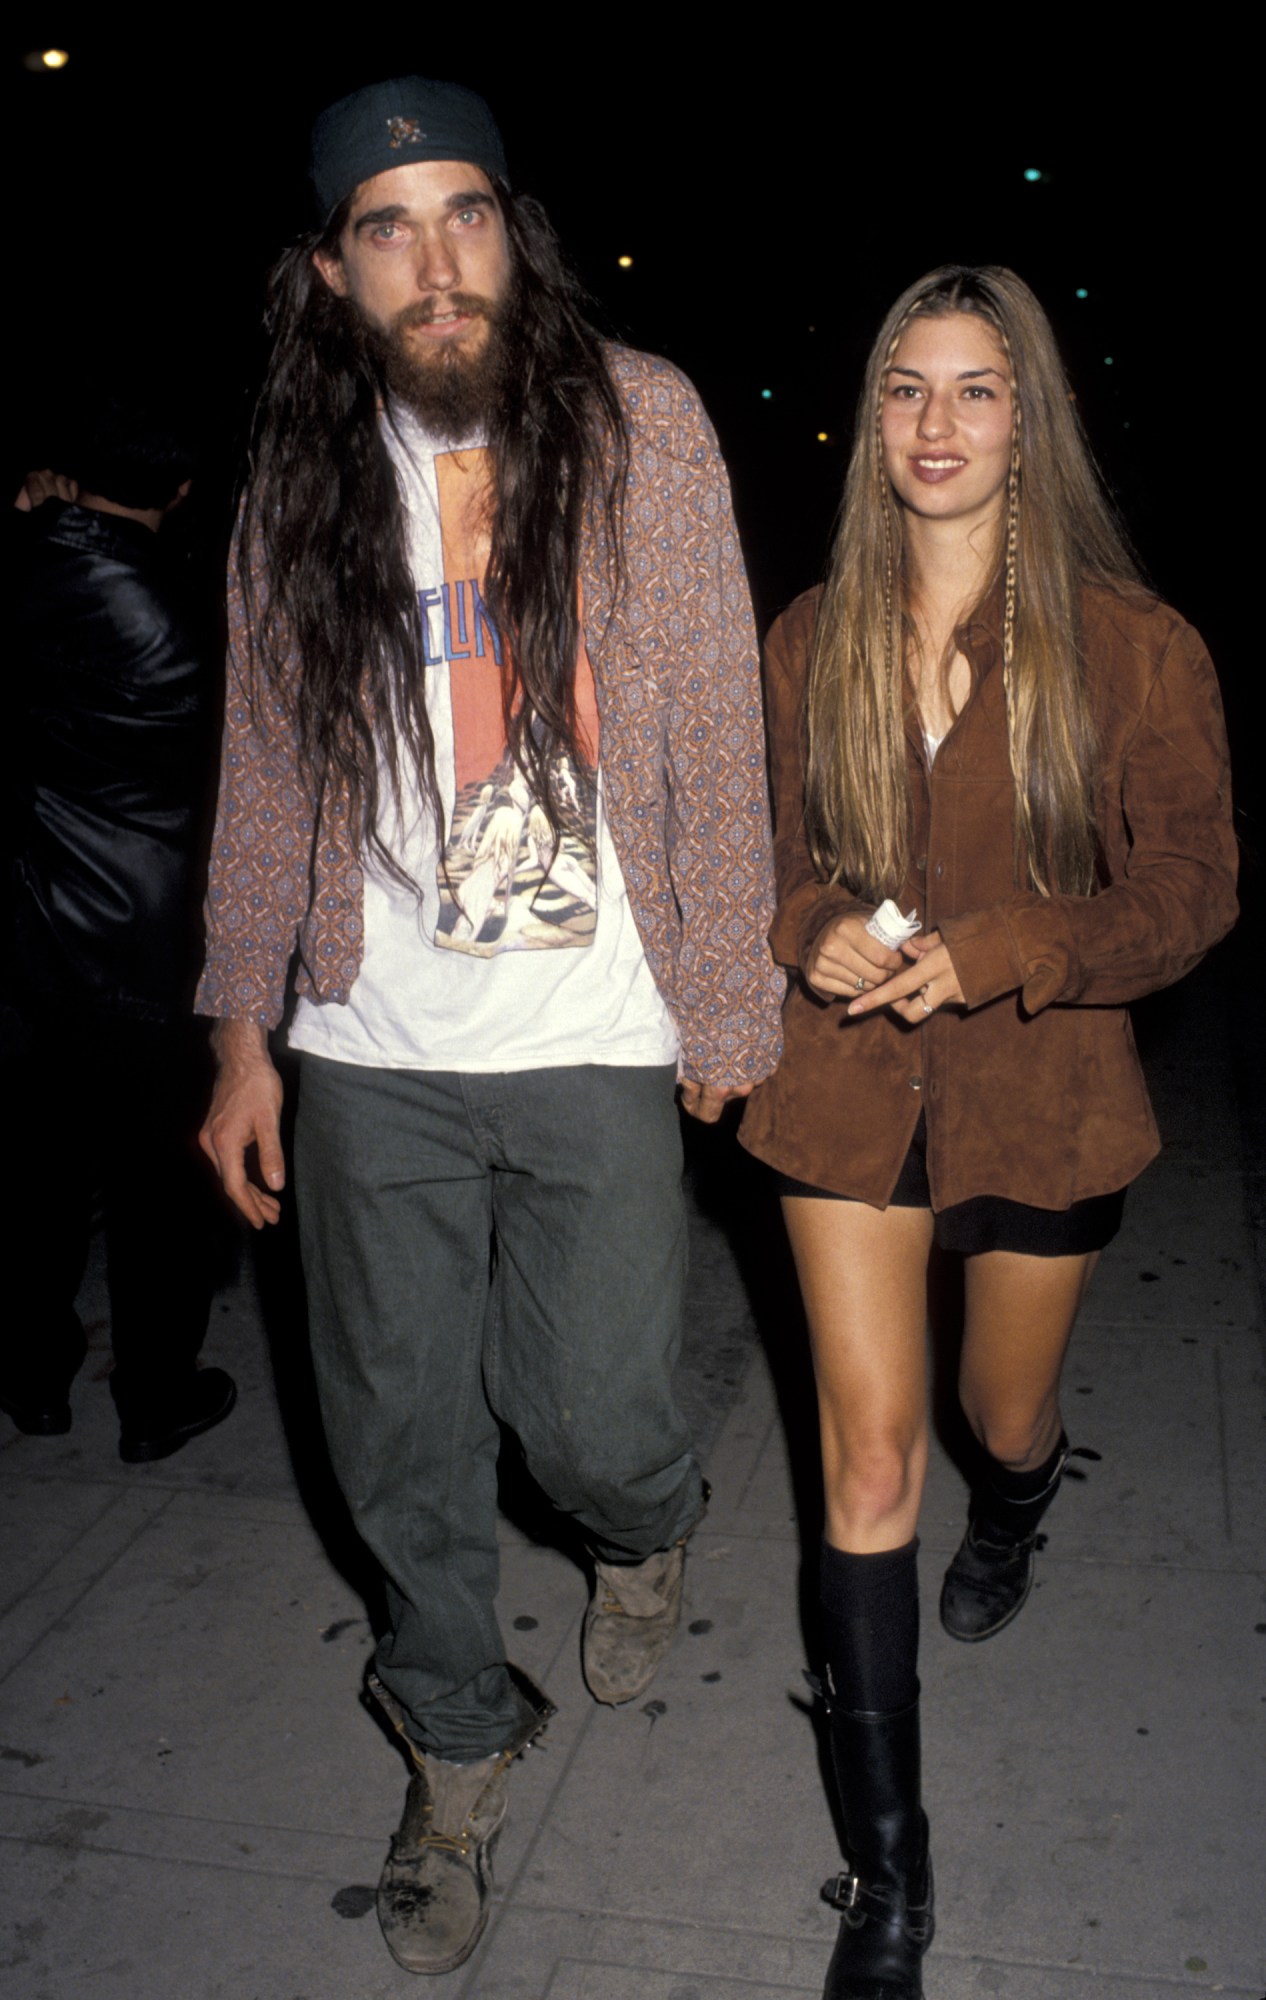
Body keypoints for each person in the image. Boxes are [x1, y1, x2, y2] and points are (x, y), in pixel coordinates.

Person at [196, 76, 782, 1978]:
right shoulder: (297, 466)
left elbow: (707, 730)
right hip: (376, 1041)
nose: (433, 262)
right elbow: (264, 772)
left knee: (593, 1415)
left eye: (463, 215)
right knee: (393, 1445)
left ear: (512, 233)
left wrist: (728, 998)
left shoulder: (643, 424)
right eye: (387, 227)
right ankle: (451, 1741)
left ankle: (645, 1523)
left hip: (598, 1016)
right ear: (331, 269)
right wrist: (239, 1033)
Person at [739, 266, 1237, 2000]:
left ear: (1031, 425)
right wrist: (803, 921)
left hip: (1043, 1092)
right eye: (903, 390)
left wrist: (1013, 947)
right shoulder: (808, 633)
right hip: (844, 1092)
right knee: (866, 1463)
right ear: (870, 420)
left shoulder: (1137, 645)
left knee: (990, 1417)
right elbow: (761, 851)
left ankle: (1017, 1506)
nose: (934, 426)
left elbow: (1191, 893)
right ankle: (892, 1890)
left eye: (974, 392)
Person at [2, 402, 233, 1463]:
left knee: (36, 1170)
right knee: (159, 1186)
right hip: (149, 938)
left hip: (25, 928)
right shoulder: (188, 617)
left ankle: (33, 1380)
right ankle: (153, 1397)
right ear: (181, 491)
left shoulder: (22, 564)